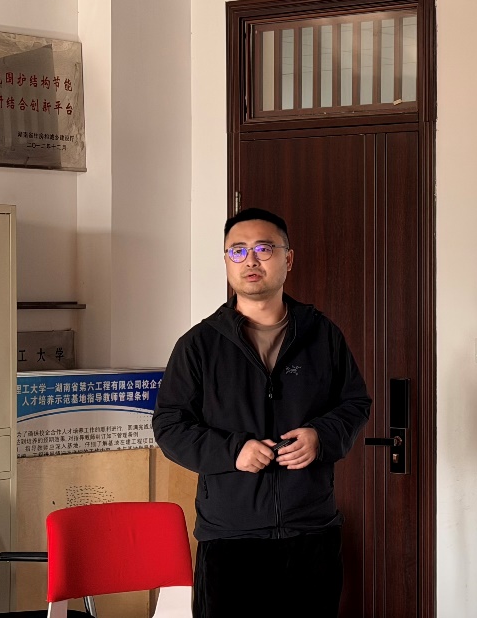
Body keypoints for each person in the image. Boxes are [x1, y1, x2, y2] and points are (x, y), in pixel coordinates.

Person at [153, 207, 372, 617]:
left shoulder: (322, 335)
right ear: (226, 261)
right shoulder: (199, 345)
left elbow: (355, 402)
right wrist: (233, 451)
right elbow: (169, 425)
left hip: (311, 530)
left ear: (289, 259)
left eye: (264, 248)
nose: (250, 260)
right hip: (230, 536)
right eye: (237, 250)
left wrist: (321, 436)